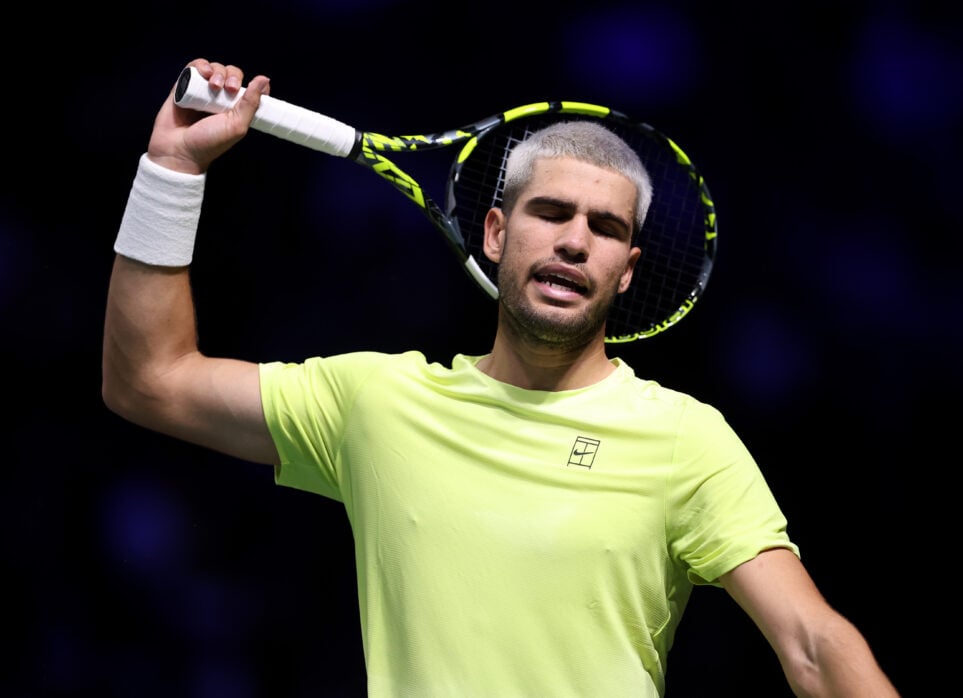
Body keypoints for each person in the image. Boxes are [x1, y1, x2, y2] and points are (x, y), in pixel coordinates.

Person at [102, 57, 899, 697]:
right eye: (551, 213)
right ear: (493, 231)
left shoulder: (685, 439)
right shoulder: (375, 404)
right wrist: (171, 168)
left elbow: (813, 644)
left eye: (606, 228)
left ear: (627, 273)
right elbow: (149, 380)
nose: (575, 241)